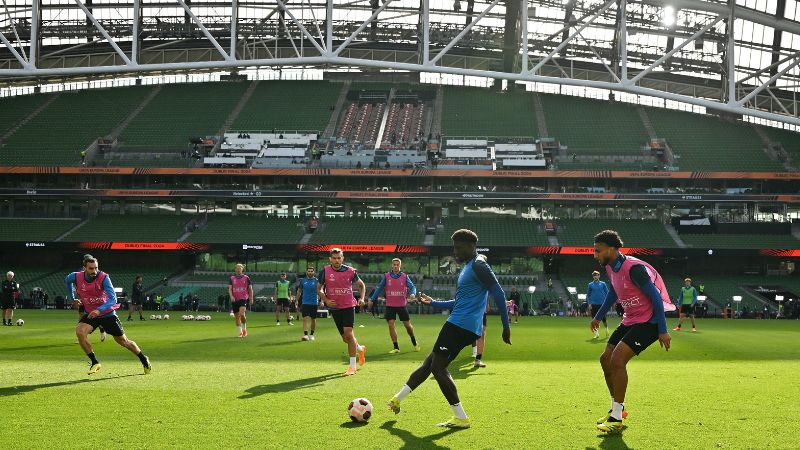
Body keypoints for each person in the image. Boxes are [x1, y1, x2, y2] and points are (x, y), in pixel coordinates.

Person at [388, 229, 511, 428]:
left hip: (460, 325)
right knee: (430, 363)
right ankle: (397, 399)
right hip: (459, 322)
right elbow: (460, 301)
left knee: (438, 368)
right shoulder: (470, 266)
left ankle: (461, 417)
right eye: (454, 248)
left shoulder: (479, 264)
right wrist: (434, 303)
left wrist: (506, 326)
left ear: (471, 246)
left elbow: (499, 293)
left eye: (459, 248)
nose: (455, 252)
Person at [590, 230, 675, 433]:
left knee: (617, 360)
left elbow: (655, 298)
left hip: (650, 321)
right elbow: (613, 292)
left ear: (611, 249)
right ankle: (616, 409)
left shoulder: (634, 268)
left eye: (598, 251)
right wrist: (599, 315)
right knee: (605, 359)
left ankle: (616, 419)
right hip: (630, 320)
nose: (595, 255)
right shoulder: (610, 267)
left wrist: (662, 330)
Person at [66, 254, 151, 375]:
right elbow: (67, 281)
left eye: (96, 268)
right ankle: (95, 362)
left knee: (123, 341)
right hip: (91, 314)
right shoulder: (75, 276)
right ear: (84, 268)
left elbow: (113, 299)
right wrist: (72, 298)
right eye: (91, 268)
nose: (94, 271)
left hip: (107, 314)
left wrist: (99, 310)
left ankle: (144, 359)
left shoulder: (104, 277)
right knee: (80, 331)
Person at [317, 248, 367, 376]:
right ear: (330, 259)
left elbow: (361, 285)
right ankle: (360, 349)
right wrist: (326, 300)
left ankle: (352, 367)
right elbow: (319, 289)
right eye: (334, 258)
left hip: (349, 306)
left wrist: (361, 298)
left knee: (348, 334)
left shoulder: (350, 271)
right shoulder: (325, 271)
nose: (336, 260)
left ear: (342, 258)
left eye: (339, 258)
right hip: (335, 308)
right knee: (346, 339)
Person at [369, 258, 420, 354]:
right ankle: (396, 347)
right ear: (392, 265)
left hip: (401, 305)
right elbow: (379, 287)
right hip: (390, 305)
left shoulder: (404, 276)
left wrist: (413, 293)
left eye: (397, 265)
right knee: (391, 324)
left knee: (407, 326)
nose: (396, 266)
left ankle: (414, 341)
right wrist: (372, 299)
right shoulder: (387, 276)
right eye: (394, 264)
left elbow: (413, 287)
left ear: (400, 266)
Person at [229, 264, 254, 338]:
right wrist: (231, 296)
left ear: (242, 269)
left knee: (242, 314)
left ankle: (244, 330)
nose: (238, 269)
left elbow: (250, 289)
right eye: (237, 268)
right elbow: (230, 289)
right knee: (237, 317)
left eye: (240, 268)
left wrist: (251, 298)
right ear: (235, 269)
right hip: (234, 299)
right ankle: (240, 333)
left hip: (243, 298)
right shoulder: (232, 278)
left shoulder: (246, 278)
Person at [296, 266, 320, 341]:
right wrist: (296, 300)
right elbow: (299, 291)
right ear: (306, 272)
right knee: (305, 318)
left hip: (314, 303)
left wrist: (322, 301)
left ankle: (312, 334)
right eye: (308, 271)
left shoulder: (317, 281)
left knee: (313, 319)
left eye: (311, 271)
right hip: (305, 302)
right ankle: (306, 335)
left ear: (314, 272)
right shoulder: (303, 281)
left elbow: (320, 291)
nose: (310, 272)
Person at [587, 270, 610, 339]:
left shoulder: (603, 284)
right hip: (593, 304)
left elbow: (607, 293)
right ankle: (597, 334)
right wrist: (589, 303)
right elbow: (588, 295)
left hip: (602, 304)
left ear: (599, 276)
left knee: (604, 319)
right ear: (593, 276)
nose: (595, 276)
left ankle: (606, 330)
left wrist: (607, 302)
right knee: (594, 319)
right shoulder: (590, 284)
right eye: (594, 275)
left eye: (596, 275)